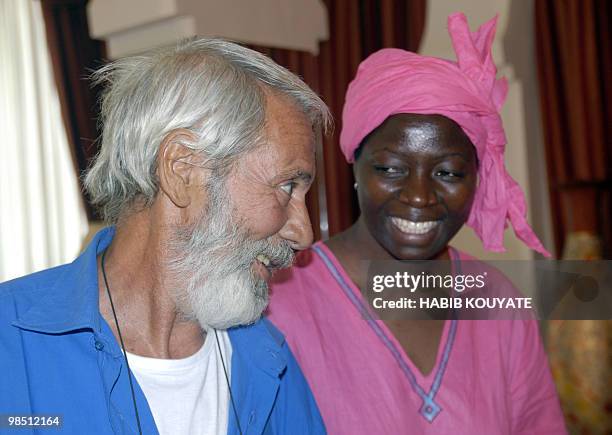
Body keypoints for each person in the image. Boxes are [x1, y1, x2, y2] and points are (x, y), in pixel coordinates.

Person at [0, 39, 331, 434]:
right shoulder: (12, 344)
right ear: (182, 170)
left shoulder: (268, 359)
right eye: (287, 186)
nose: (304, 233)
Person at [267, 13, 567, 434]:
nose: (420, 196)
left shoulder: (498, 303)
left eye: (448, 173)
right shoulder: (278, 301)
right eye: (390, 168)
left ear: (477, 179)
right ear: (355, 166)